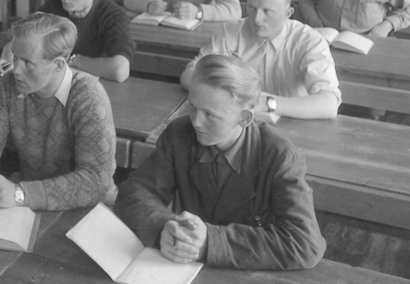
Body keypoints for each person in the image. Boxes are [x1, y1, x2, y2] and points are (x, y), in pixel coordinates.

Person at [115, 54, 325, 270]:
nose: (196, 121)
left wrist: (211, 242)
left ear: (244, 119)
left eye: (209, 115)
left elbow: (304, 243)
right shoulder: (179, 134)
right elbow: (135, 192)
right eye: (193, 107)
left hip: (251, 275)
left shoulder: (280, 156)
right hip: (184, 270)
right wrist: (164, 228)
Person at [0, 13, 117, 211]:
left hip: (87, 212)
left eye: (28, 62)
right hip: (30, 205)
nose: (15, 69)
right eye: (15, 57)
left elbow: (95, 182)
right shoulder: (9, 84)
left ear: (58, 65)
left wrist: (20, 194)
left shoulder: (88, 96)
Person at [181, 0, 341, 120]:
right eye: (252, 8)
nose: (257, 19)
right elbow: (190, 74)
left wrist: (267, 103)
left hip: (293, 121)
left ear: (288, 13)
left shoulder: (308, 40)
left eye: (267, 12)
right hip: (236, 120)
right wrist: (227, 96)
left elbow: (329, 104)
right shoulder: (229, 32)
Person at [0, 0, 133, 82]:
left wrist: (73, 60)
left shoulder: (113, 15)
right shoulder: (54, 6)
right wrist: (7, 61)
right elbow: (19, 41)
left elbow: (120, 70)